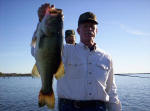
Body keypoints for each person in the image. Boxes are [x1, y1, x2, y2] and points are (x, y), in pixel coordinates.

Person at [32, 4, 122, 111]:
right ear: (78, 30)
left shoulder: (107, 57)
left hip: (98, 107)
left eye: (92, 27)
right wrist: (41, 21)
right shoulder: (66, 50)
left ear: (96, 31)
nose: (89, 29)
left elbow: (111, 89)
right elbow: (36, 50)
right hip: (69, 107)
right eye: (85, 26)